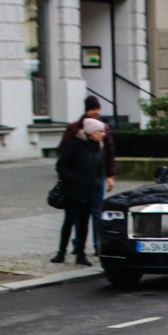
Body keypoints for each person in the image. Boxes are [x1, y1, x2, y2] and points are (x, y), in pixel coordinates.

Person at [59, 95, 115, 255]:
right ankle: (78, 245)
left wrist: (110, 174)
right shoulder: (75, 128)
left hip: (95, 177)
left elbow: (110, 152)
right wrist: (70, 175)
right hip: (78, 178)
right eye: (92, 109)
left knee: (96, 211)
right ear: (86, 110)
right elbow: (64, 153)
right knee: (76, 214)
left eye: (97, 109)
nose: (95, 112)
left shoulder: (103, 128)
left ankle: (98, 245)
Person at [53, 117, 105, 266]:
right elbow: (61, 165)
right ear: (91, 132)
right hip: (73, 191)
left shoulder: (97, 148)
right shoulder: (75, 145)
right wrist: (71, 179)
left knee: (83, 224)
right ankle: (61, 252)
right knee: (69, 221)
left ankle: (80, 254)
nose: (103, 134)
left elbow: (99, 168)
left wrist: (96, 183)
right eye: (99, 131)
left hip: (89, 192)